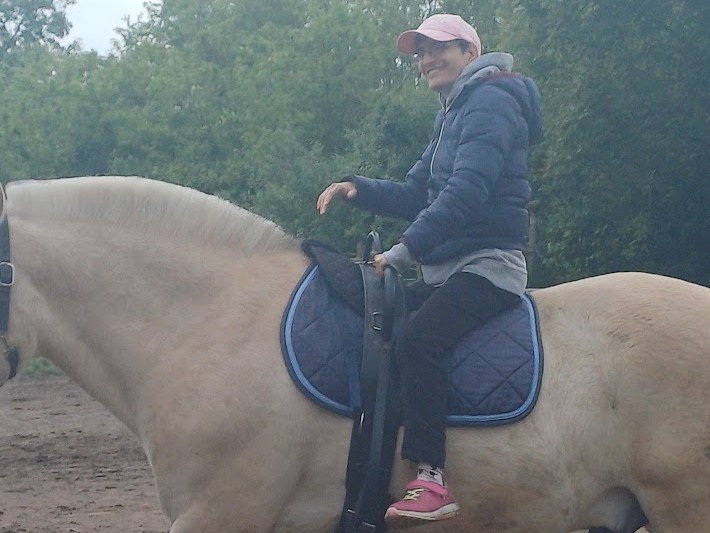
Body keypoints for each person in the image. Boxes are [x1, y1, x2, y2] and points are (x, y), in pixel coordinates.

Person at [317, 13, 543, 529]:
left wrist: (403, 252)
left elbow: (466, 193)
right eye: (420, 52)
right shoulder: (454, 111)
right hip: (448, 268)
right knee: (377, 326)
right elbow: (419, 192)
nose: (426, 59)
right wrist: (359, 189)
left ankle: (432, 479)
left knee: (419, 342)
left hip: (487, 265)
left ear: (470, 52)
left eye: (439, 47)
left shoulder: (491, 101)